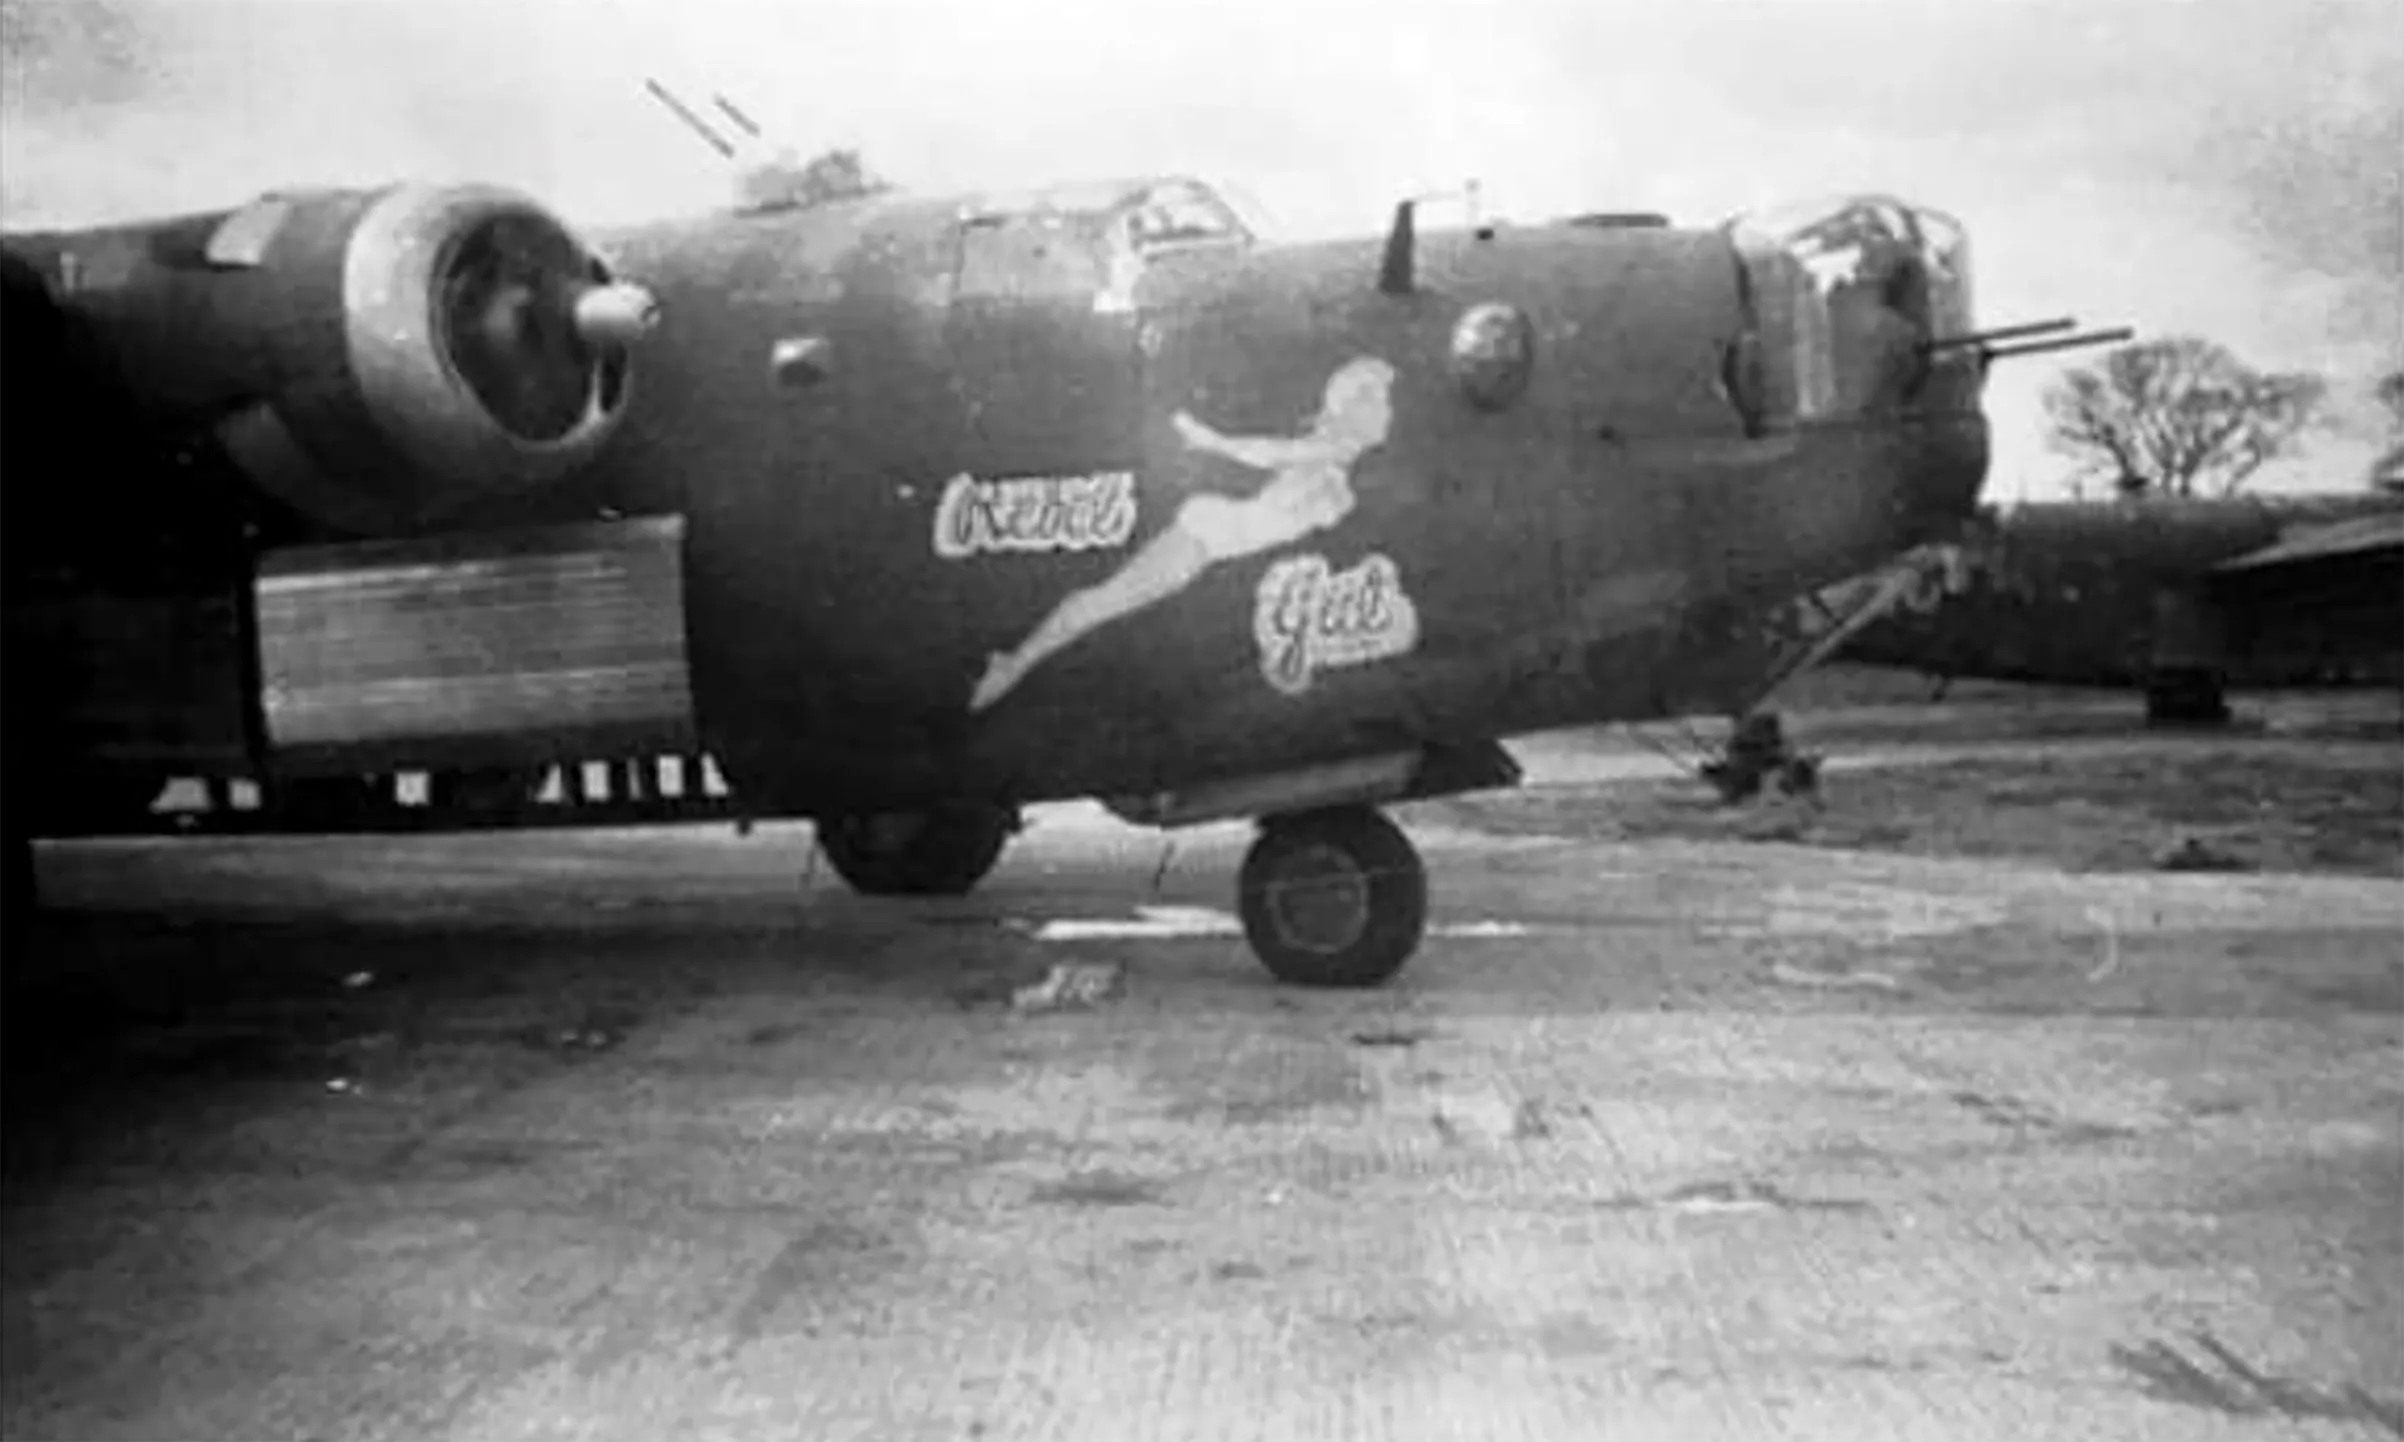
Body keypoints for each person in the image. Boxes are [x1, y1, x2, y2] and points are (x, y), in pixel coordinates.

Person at [968, 355, 1397, 713]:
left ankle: (1013, 664)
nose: (1387, 412)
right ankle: (1011, 665)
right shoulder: (1325, 455)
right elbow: (1275, 452)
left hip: (1212, 546)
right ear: (1351, 409)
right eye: (1378, 400)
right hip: (1206, 534)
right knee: (1104, 601)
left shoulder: (1334, 469)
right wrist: (1217, 443)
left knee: (1108, 600)